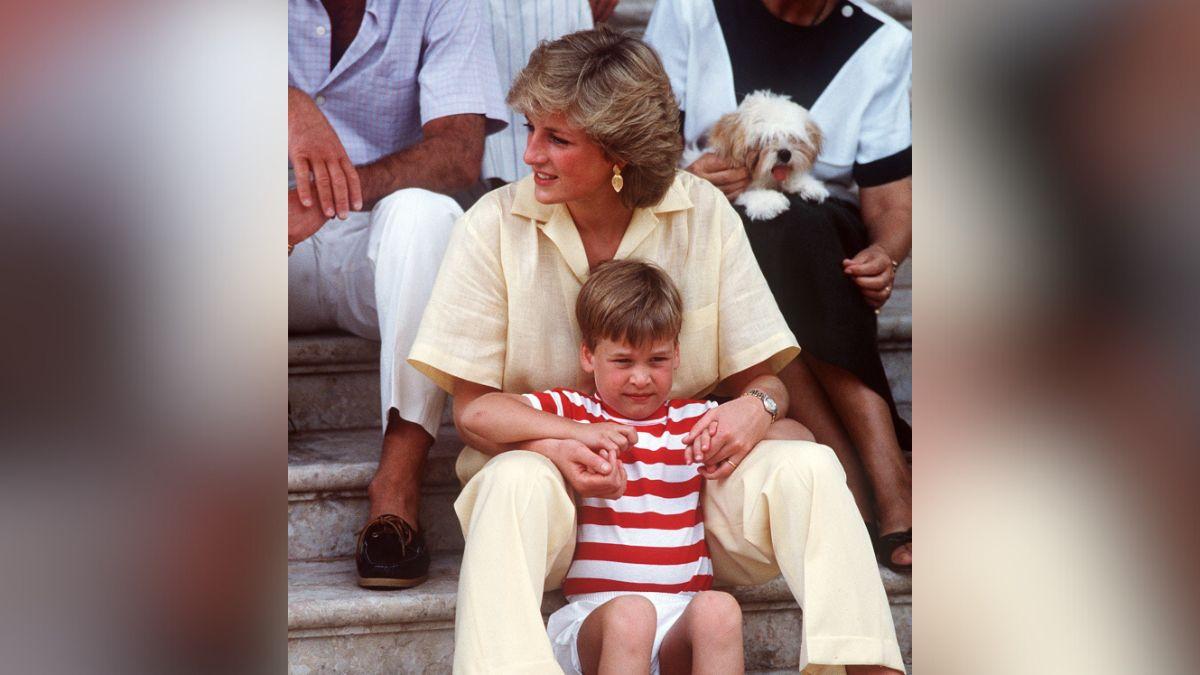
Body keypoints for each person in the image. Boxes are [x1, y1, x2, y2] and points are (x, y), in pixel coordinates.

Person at [409, 28, 904, 674]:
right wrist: (559, 439)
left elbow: (767, 379)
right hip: (549, 508)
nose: (530, 152)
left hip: (682, 502)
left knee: (807, 464)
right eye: (532, 128)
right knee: (511, 480)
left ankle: (865, 667)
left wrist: (755, 407)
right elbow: (472, 410)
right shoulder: (492, 225)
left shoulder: (703, 213)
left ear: (618, 151)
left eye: (557, 138)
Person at [645, 0, 914, 572]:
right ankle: (887, 476)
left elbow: (891, 197)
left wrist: (884, 255)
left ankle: (860, 484)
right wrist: (683, 178)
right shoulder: (692, 12)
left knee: (799, 224)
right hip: (707, 223)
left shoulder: (882, 42)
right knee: (764, 228)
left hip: (824, 236)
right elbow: (634, 140)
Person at [461, 260, 810, 674]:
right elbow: (478, 414)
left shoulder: (695, 422)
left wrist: (745, 429)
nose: (641, 378)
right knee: (633, 615)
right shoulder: (578, 413)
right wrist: (573, 435)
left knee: (719, 608)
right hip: (602, 617)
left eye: (657, 360)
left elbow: (801, 441)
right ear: (589, 356)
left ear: (678, 355)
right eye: (623, 362)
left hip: (682, 616)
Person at [287, 0, 507, 589]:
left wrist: (330, 194)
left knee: (428, 218)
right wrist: (284, 99)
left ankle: (398, 485)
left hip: (369, 243)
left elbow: (460, 153)